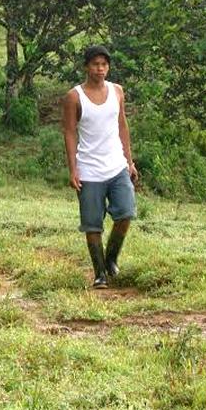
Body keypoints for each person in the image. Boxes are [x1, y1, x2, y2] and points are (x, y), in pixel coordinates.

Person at [62, 45, 138, 289]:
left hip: (116, 165)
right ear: (86, 67)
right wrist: (73, 169)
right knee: (93, 223)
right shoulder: (74, 97)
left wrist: (129, 161)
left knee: (125, 213)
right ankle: (99, 273)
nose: (100, 69)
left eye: (104, 64)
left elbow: (122, 125)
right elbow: (69, 132)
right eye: (95, 64)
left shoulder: (117, 91)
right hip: (89, 169)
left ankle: (111, 258)